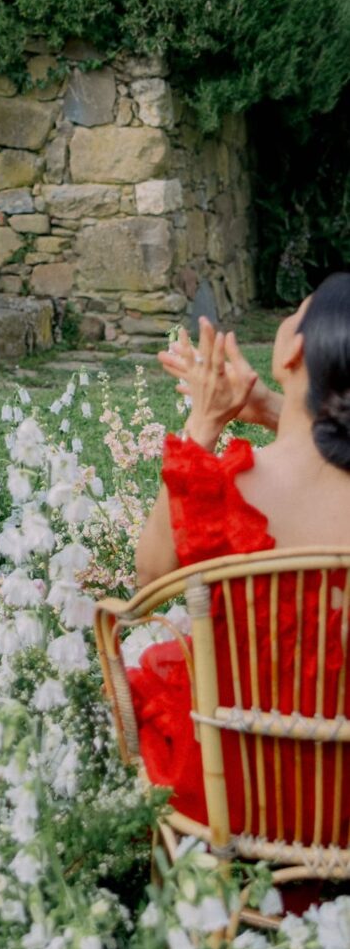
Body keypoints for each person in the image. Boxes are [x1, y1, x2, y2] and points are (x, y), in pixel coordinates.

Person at [127, 292, 350, 833]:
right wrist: (278, 410)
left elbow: (147, 584)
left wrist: (201, 427)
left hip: (243, 793)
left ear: (293, 351)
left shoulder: (228, 487)